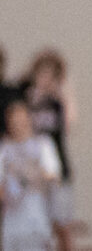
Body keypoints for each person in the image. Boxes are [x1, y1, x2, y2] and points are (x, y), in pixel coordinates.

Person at [18, 51, 71, 228]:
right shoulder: (25, 97)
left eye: (51, 74)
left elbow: (70, 125)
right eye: (42, 72)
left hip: (55, 165)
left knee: (61, 222)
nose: (45, 78)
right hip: (30, 168)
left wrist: (64, 94)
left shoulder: (56, 102)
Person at [1, 98, 60, 251]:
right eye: (14, 121)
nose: (18, 125)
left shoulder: (43, 144)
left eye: (21, 119)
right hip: (13, 217)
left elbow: (54, 177)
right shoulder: (5, 148)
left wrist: (35, 175)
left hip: (36, 214)